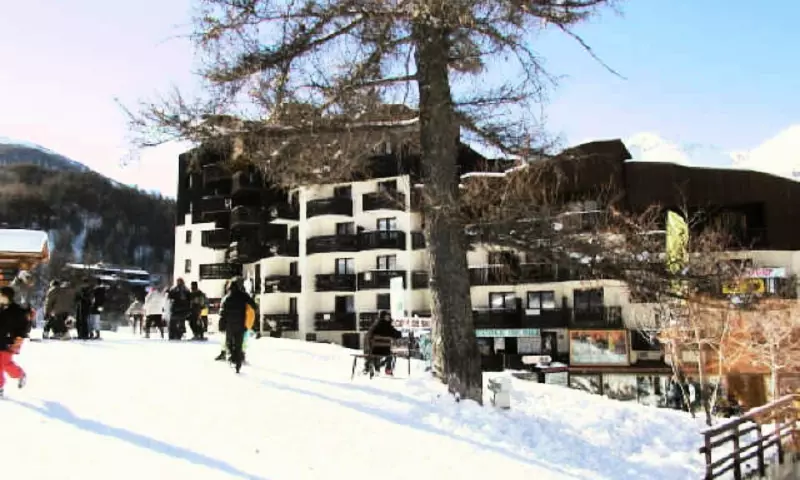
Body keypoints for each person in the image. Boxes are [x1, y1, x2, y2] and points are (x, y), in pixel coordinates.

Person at [218, 277, 257, 373]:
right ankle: (238, 364)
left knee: (229, 343)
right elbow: (254, 305)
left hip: (230, 325)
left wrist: (221, 325)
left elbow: (222, 312)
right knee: (239, 344)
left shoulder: (227, 298)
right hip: (241, 324)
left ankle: (232, 358)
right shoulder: (243, 296)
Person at [0, 286, 29, 397]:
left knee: (5, 363)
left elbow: (24, 326)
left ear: (7, 297)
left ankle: (20, 374)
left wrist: (18, 338)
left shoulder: (17, 311)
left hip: (9, 340)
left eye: (1, 295)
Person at [363, 310, 402, 377]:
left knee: (372, 353)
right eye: (387, 317)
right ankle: (388, 369)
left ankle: (368, 368)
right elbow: (398, 335)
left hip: (374, 350)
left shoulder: (375, 326)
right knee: (390, 355)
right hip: (386, 351)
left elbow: (368, 336)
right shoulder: (389, 327)